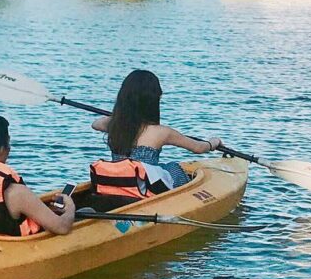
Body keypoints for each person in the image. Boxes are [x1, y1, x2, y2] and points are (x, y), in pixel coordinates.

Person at [90, 70, 222, 198]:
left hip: (119, 181)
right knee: (174, 168)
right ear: (153, 101)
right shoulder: (162, 132)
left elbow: (95, 124)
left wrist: (121, 116)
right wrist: (212, 143)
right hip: (145, 188)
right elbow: (198, 148)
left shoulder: (114, 125)